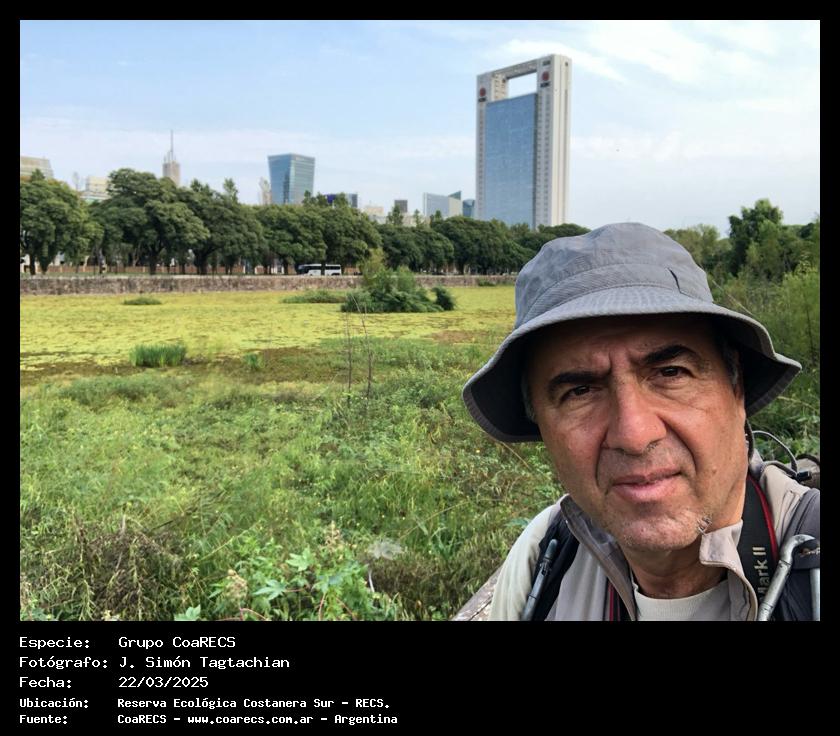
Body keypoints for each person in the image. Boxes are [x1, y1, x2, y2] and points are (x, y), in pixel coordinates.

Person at [461, 223, 818, 621]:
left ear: (737, 389)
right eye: (580, 391)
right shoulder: (543, 555)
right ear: (542, 426)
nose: (633, 434)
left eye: (670, 373)